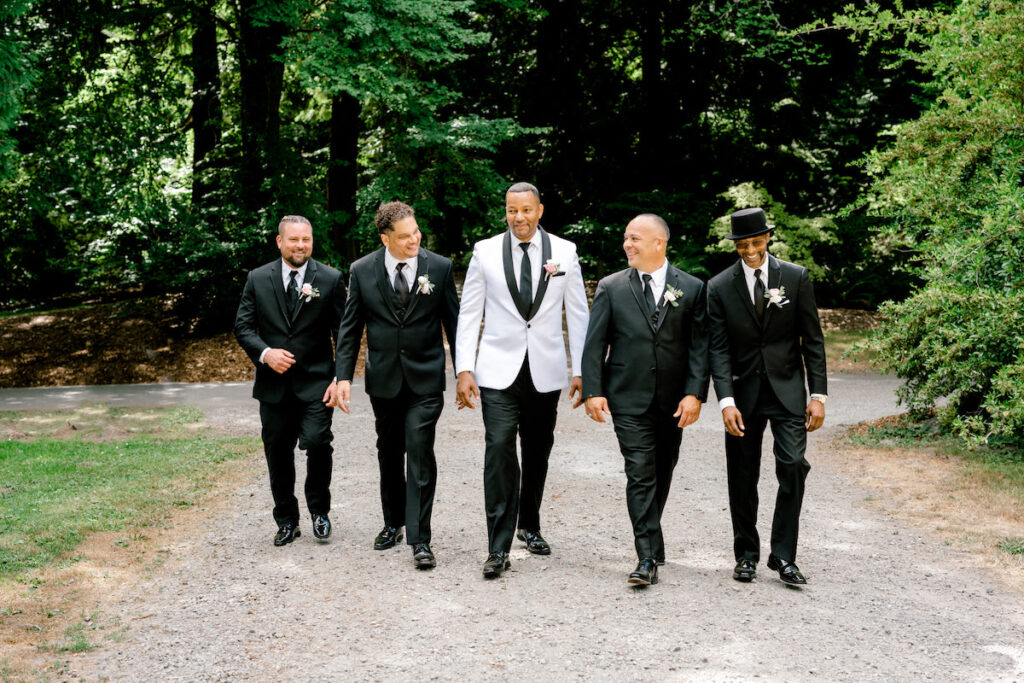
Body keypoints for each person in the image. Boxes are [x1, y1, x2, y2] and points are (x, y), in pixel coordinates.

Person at [455, 181, 590, 578]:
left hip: (545, 372)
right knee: (498, 449)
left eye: (526, 210)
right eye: (512, 211)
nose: (519, 218)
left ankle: (528, 525)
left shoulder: (565, 252)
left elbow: (578, 313)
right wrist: (465, 368)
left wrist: (581, 369)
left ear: (540, 211)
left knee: (537, 451)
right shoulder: (484, 252)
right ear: (506, 212)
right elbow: (469, 313)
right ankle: (497, 547)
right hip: (497, 370)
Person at [581, 214, 709, 586]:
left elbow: (699, 348)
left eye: (635, 238)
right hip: (627, 396)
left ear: (659, 243)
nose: (627, 245)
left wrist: (694, 393)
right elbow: (595, 344)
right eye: (625, 238)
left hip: (673, 401)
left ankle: (653, 536)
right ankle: (646, 557)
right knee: (639, 472)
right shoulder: (611, 286)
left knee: (663, 469)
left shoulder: (692, 287)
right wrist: (594, 390)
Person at [706, 207, 827, 586]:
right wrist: (725, 400)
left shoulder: (795, 277)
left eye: (757, 242)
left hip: (788, 391)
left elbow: (814, 340)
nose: (751, 250)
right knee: (742, 476)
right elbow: (719, 349)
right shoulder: (719, 287)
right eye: (743, 244)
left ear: (768, 240)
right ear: (736, 245)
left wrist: (818, 394)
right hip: (742, 396)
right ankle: (746, 555)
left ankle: (784, 556)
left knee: (793, 465)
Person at [335, 202, 459, 569]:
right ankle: (393, 523)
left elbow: (455, 324)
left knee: (419, 449)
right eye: (405, 236)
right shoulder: (361, 270)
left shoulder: (439, 267)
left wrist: (465, 372)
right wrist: (343, 376)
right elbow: (350, 327)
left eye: (416, 232)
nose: (414, 240)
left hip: (425, 378)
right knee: (389, 452)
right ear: (385, 238)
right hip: (384, 380)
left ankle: (421, 539)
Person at [234, 215, 346, 546]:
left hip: (317, 382)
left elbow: (344, 333)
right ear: (280, 241)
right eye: (294, 240)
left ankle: (320, 512)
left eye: (306, 240)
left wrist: (339, 377)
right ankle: (286, 520)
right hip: (274, 386)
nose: (301, 245)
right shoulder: (257, 278)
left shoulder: (330, 278)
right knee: (277, 453)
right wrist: (266, 353)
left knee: (317, 441)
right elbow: (242, 326)